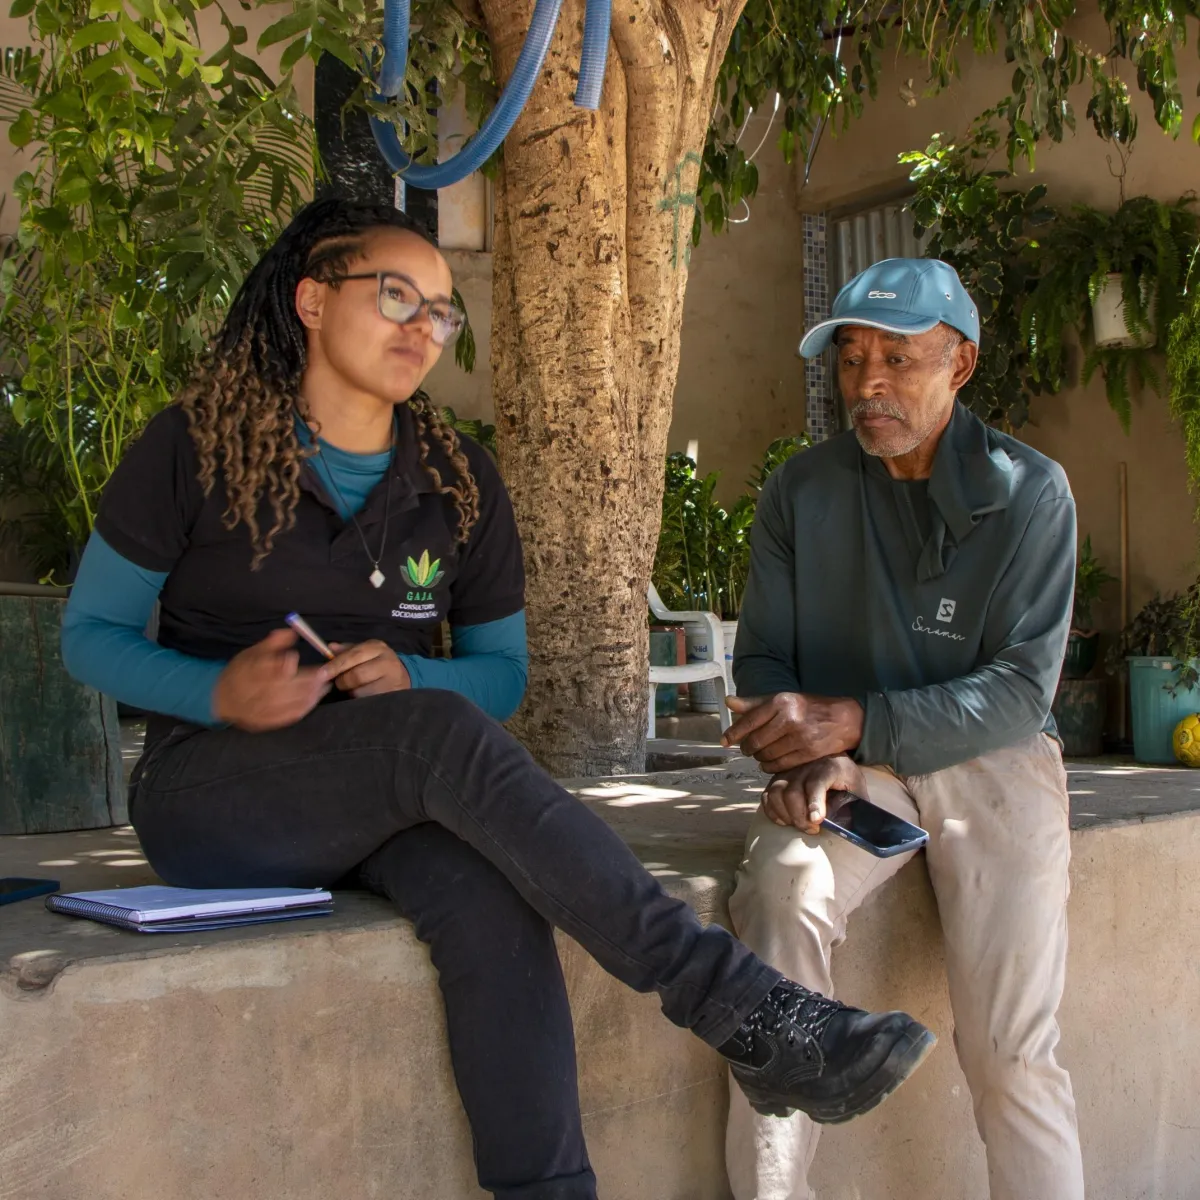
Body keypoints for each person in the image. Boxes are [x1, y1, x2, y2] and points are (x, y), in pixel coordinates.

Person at [61, 199, 936, 1200]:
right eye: (395, 296)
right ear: (310, 300)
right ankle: (736, 1004)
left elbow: (500, 674)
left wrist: (415, 675)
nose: (421, 328)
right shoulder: (193, 448)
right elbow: (90, 639)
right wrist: (216, 689)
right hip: (211, 795)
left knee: (489, 891)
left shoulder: (456, 481)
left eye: (440, 312)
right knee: (430, 740)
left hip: (382, 795)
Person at [721, 257, 1084, 1200]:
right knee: (777, 900)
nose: (867, 383)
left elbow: (1017, 690)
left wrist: (853, 719)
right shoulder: (801, 490)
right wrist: (796, 748)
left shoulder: (1030, 491)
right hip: (855, 772)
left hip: (990, 761)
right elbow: (762, 662)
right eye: (849, 358)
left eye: (898, 358)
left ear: (960, 365)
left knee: (1011, 1049)